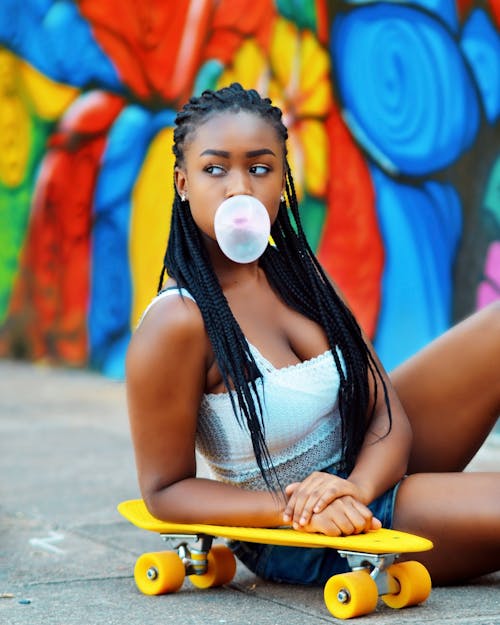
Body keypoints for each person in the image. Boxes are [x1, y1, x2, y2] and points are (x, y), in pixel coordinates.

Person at [126, 82, 500, 587]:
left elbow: (386, 412)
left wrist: (357, 487)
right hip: (298, 533)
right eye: (214, 168)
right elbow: (165, 490)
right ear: (182, 182)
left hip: (367, 479)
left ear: (281, 180)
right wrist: (294, 508)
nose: (239, 188)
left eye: (259, 168)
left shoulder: (302, 278)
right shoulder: (177, 322)